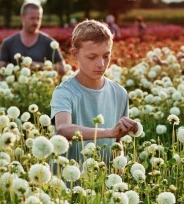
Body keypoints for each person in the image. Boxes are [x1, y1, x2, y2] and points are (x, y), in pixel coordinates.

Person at [50, 19, 139, 164]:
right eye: (92, 57)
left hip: (104, 183)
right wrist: (108, 132)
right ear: (74, 54)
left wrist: (119, 168)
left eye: (106, 56)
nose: (101, 64)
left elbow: (117, 141)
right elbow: (63, 129)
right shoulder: (64, 92)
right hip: (68, 182)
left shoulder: (119, 93)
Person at [0, 2, 66, 81]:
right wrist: (4, 86)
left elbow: (62, 69)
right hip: (16, 90)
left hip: (42, 89)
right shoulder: (8, 43)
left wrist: (37, 65)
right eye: (32, 18)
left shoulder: (49, 43)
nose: (36, 22)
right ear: (22, 17)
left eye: (38, 19)